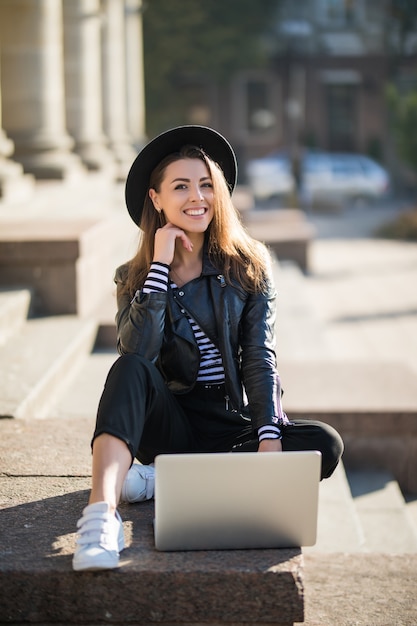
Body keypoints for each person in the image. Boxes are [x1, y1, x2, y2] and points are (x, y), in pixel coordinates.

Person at [72, 125, 343, 571]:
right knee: (128, 370)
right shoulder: (134, 275)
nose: (197, 197)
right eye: (181, 186)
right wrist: (159, 266)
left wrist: (268, 434)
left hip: (228, 423)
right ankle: (101, 516)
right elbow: (138, 350)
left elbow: (260, 355)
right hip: (171, 422)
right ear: (156, 199)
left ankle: (162, 480)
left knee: (323, 444)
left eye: (206, 185)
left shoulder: (248, 265)